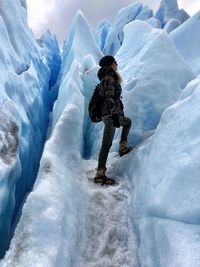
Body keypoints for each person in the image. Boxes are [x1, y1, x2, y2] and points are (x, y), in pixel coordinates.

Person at [94, 55, 132, 185]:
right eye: (115, 62)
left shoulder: (105, 78)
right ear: (110, 64)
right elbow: (110, 98)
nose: (117, 64)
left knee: (127, 122)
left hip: (108, 115)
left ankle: (122, 147)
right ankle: (100, 174)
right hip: (110, 115)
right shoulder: (110, 78)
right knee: (106, 144)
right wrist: (115, 115)